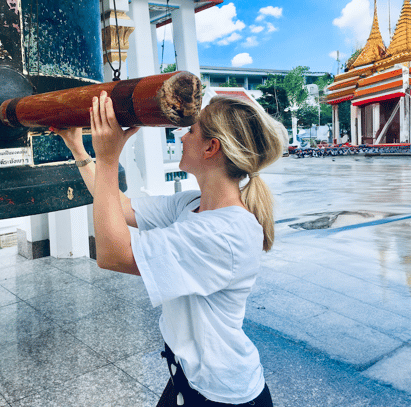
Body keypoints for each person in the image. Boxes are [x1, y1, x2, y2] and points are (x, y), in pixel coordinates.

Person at [52, 92, 281, 407]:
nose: (183, 137)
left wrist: (108, 159)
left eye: (191, 131)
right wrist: (79, 149)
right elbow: (121, 206)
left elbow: (113, 255)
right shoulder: (193, 203)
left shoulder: (224, 234)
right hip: (188, 376)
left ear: (211, 148)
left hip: (223, 395)